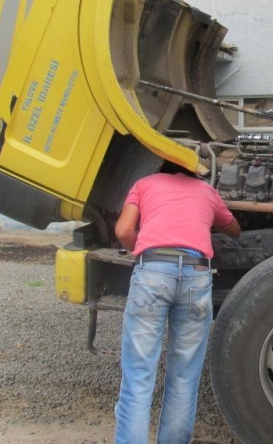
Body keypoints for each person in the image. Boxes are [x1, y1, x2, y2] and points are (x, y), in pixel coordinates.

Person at [113, 163, 241, 444]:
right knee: (184, 378)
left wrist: (143, 248)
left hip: (154, 271)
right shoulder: (206, 190)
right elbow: (233, 229)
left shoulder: (145, 183)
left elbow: (123, 230)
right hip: (197, 275)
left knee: (138, 376)